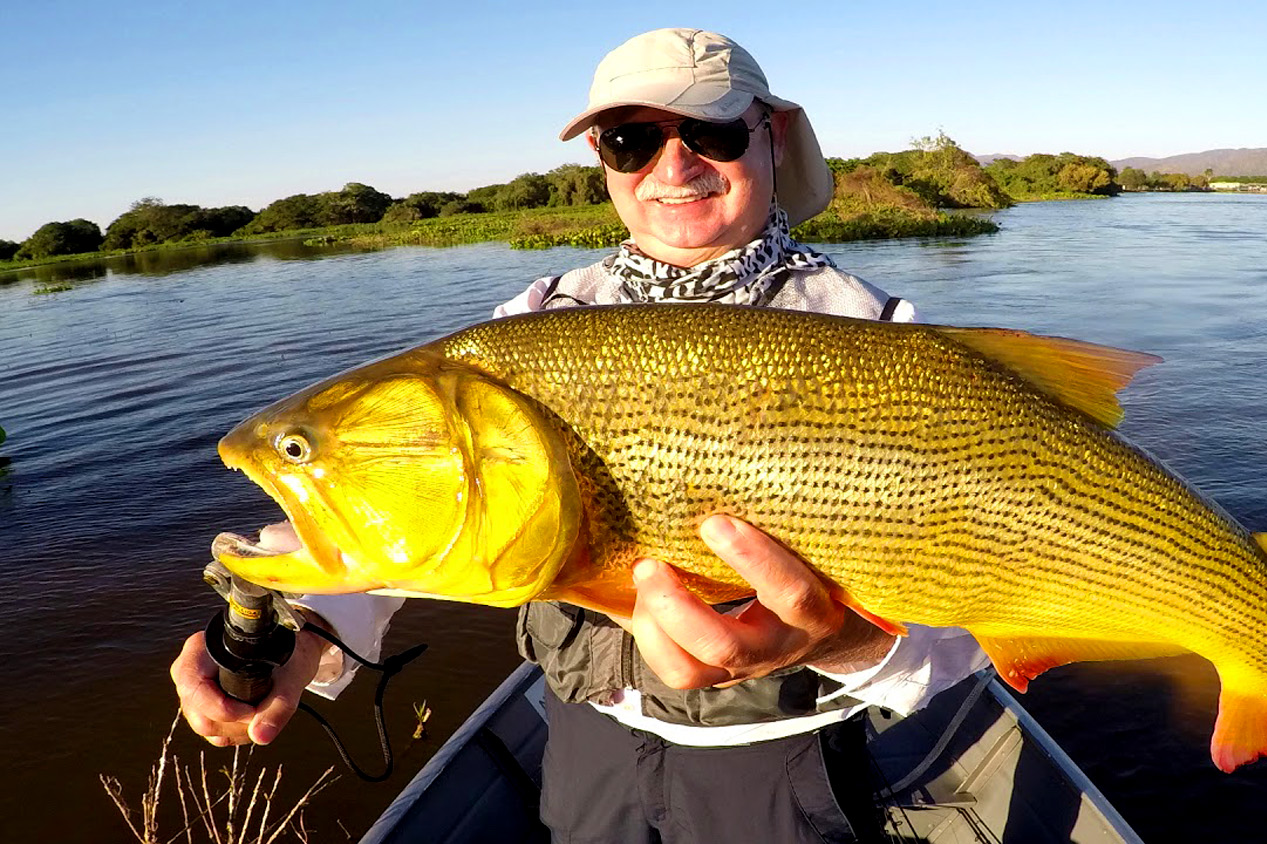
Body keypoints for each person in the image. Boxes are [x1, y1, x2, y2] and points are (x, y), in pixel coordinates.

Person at [172, 28, 986, 843]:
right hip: (586, 737)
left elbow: (980, 622)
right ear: (604, 159)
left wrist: (844, 642)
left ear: (772, 136)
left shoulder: (883, 336)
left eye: (712, 132)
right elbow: (424, 514)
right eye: (633, 140)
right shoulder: (528, 327)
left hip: (776, 756)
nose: (675, 167)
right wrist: (300, 631)